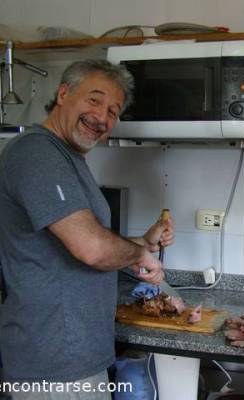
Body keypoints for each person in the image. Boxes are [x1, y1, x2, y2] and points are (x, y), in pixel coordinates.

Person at [0, 60, 174, 398]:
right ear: (63, 93)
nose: (102, 117)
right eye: (94, 100)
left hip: (72, 357)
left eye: (113, 110)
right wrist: (137, 253)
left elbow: (77, 239)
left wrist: (143, 241)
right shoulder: (36, 154)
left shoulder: (67, 158)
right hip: (53, 364)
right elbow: (91, 248)